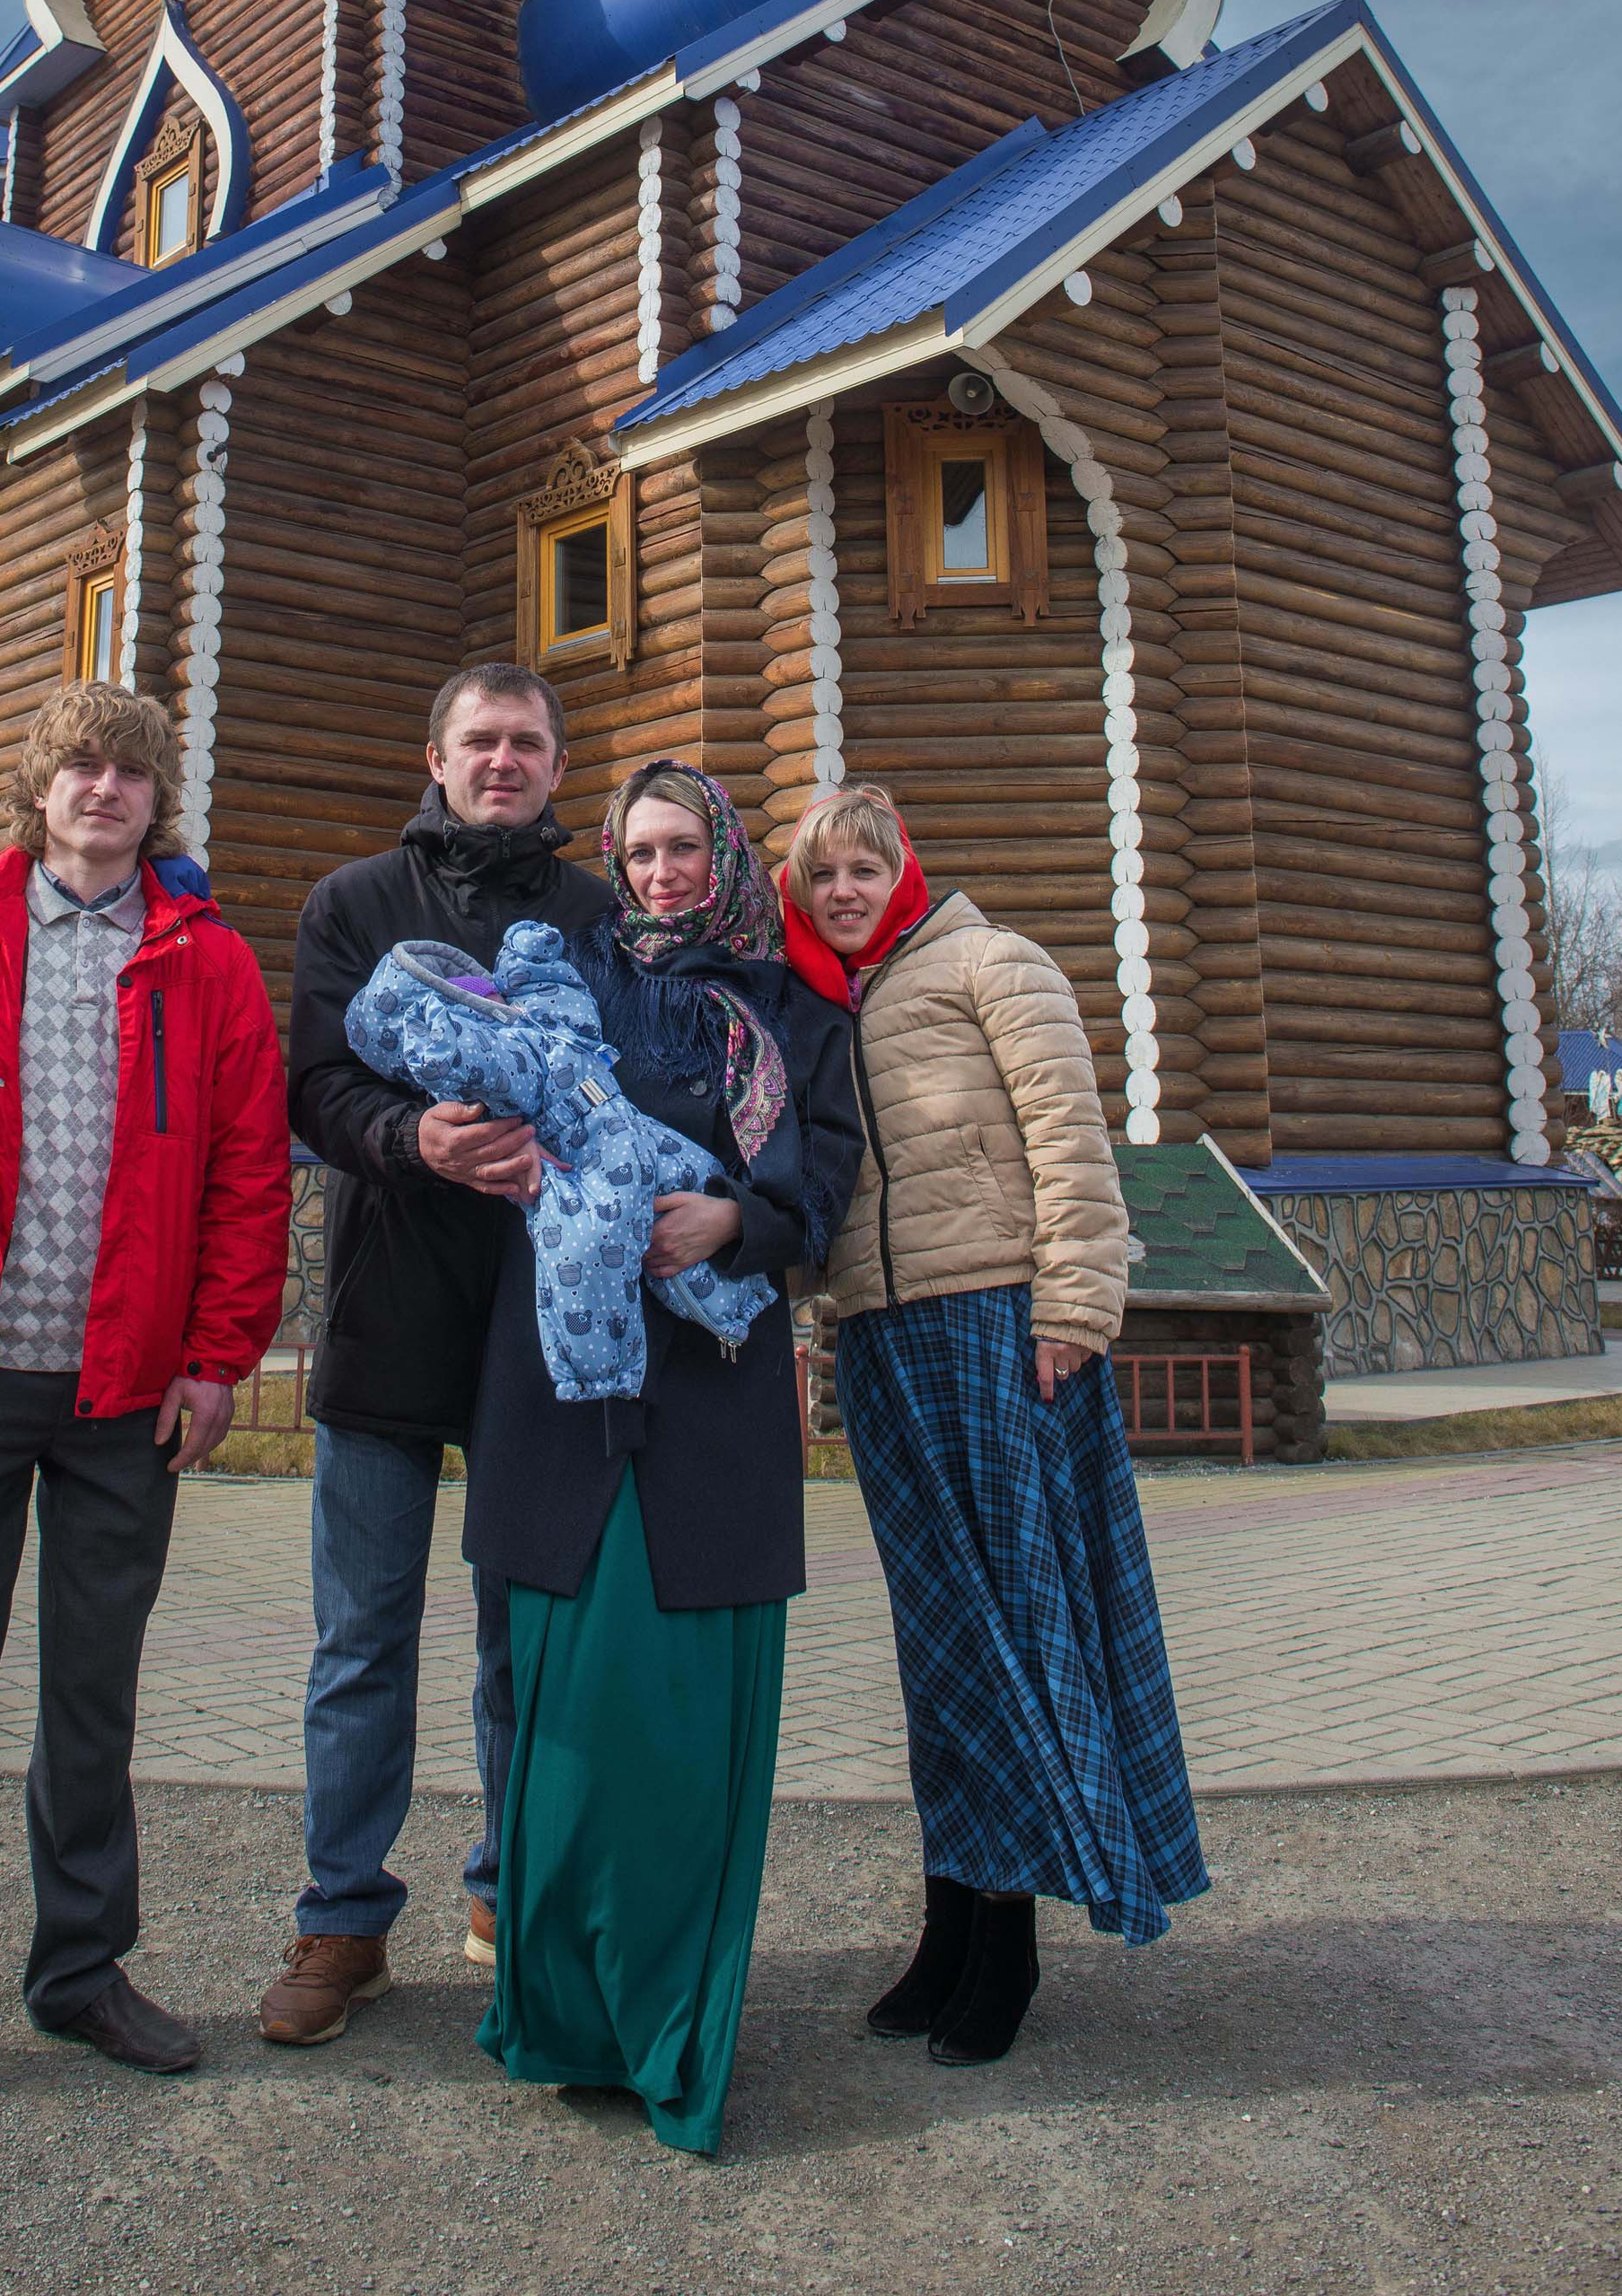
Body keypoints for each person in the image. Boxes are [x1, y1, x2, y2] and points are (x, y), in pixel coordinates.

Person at [0, 680, 292, 2134]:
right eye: (79, 768)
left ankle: (81, 1970)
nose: (104, 790)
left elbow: (248, 1177)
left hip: (125, 1393)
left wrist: (218, 1358)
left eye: (130, 774)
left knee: (93, 1693)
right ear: (41, 790)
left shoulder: (207, 964)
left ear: (158, 802)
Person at [463, 761, 864, 2157]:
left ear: (726, 857)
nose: (660, 871)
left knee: (684, 1731)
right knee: (568, 1730)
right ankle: (561, 2016)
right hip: (565, 1399)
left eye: (685, 846)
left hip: (711, 1403)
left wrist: (731, 1229)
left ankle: (676, 2029)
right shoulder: (560, 983)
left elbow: (824, 1187)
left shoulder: (785, 1010)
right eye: (638, 848)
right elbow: (490, 1101)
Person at [781, 780, 1208, 2068]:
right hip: (882, 1337)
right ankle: (951, 1916)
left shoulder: (988, 963)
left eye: (865, 869)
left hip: (1000, 1327)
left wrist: (1075, 1308)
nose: (844, 892)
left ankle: (1009, 1938)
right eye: (823, 879)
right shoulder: (825, 1004)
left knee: (1017, 1621)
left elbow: (1072, 1143)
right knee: (942, 1643)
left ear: (903, 869)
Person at [259, 665, 612, 2048]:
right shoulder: (355, 905)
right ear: (437, 755)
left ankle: (507, 1897)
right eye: (483, 740)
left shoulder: (595, 917)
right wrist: (416, 1140)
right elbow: (316, 1085)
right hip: (387, 1317)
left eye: (528, 743)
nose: (505, 761)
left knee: (527, 1644)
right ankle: (343, 1920)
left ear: (557, 767)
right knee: (362, 1640)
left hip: (544, 1328)